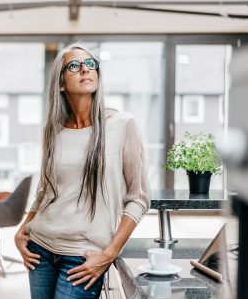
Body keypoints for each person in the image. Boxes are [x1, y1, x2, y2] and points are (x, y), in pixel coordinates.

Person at [14, 43, 150, 299]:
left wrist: (109, 253)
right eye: (74, 66)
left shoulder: (123, 125)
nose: (85, 69)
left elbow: (138, 197)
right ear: (61, 83)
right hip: (40, 249)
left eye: (90, 64)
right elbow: (45, 189)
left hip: (83, 255)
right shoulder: (53, 131)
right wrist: (23, 229)